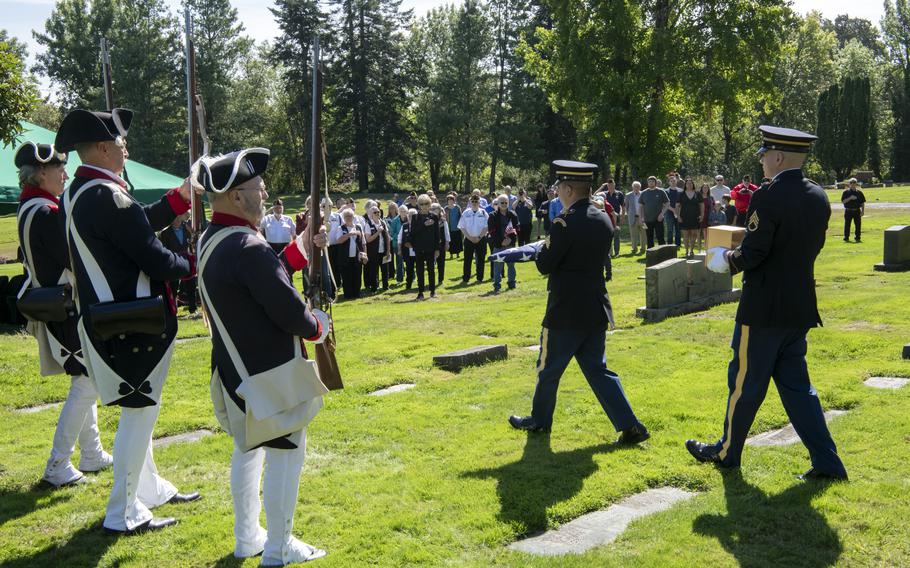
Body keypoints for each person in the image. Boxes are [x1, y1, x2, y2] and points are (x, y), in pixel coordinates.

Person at [55, 108, 200, 534]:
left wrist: (178, 199)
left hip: (112, 320)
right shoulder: (106, 196)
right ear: (102, 147)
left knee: (142, 412)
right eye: (119, 143)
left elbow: (134, 224)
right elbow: (151, 253)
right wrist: (196, 263)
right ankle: (123, 512)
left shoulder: (86, 192)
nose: (125, 148)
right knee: (140, 414)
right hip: (131, 322)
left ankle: (149, 490)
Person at [688, 125, 848, 482]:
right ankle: (828, 462)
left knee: (745, 384)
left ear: (778, 157)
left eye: (764, 154)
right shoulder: (818, 196)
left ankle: (727, 453)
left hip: (763, 309)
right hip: (800, 304)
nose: (761, 160)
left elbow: (755, 252)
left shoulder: (767, 197)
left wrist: (726, 260)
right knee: (798, 389)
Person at [195, 148, 330, 563]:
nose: (265, 189)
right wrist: (317, 325)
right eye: (257, 186)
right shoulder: (246, 246)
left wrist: (301, 246)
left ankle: (248, 539)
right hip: (268, 374)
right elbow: (288, 310)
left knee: (248, 452)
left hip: (237, 373)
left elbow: (264, 275)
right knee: (287, 455)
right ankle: (279, 547)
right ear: (236, 196)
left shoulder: (214, 238)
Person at [509, 160, 649, 443]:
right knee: (599, 370)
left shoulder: (564, 222)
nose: (557, 192)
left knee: (548, 369)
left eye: (560, 186)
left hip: (565, 309)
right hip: (595, 305)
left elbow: (545, 264)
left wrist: (541, 249)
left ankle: (539, 420)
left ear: (569, 189)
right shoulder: (603, 218)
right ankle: (630, 425)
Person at [14, 141, 112, 487]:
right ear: (41, 173)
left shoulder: (30, 207)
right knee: (86, 383)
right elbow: (74, 257)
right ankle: (58, 463)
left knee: (84, 381)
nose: (65, 175)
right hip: (65, 307)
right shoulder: (45, 212)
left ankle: (92, 453)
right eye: (59, 169)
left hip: (57, 305)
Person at [159, 213, 197, 313]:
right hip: (173, 262)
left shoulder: (188, 229)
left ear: (181, 217)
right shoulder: (164, 233)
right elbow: (163, 249)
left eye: (177, 217)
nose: (176, 220)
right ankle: (173, 310)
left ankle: (193, 309)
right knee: (173, 288)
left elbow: (194, 242)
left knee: (191, 286)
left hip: (187, 261)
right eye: (173, 218)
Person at [328, 209, 367, 300]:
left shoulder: (358, 227)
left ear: (353, 217)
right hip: (345, 257)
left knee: (357, 275)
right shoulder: (340, 228)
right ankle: (348, 295)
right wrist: (349, 234)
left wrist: (365, 254)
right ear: (344, 218)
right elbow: (339, 240)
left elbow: (363, 242)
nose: (349, 218)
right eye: (346, 216)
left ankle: (357, 293)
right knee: (347, 276)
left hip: (357, 256)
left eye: (350, 216)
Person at [410, 195, 441, 300]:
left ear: (430, 204)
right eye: (422, 204)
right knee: (419, 270)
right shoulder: (415, 217)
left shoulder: (434, 217)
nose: (424, 206)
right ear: (419, 205)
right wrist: (424, 225)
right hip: (419, 248)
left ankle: (432, 291)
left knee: (431, 270)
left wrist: (437, 249)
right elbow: (413, 233)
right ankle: (420, 292)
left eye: (426, 204)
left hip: (430, 247)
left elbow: (437, 234)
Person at [488, 195, 519, 292]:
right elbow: (491, 231)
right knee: (497, 267)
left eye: (506, 202)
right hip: (498, 245)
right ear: (498, 204)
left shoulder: (513, 215)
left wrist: (510, 239)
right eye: (502, 202)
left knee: (511, 265)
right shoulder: (492, 216)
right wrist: (501, 241)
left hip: (510, 245)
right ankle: (497, 285)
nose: (504, 204)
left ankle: (511, 283)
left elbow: (517, 228)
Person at [458, 195, 489, 283]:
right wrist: (470, 237)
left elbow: (486, 227)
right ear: (470, 202)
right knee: (467, 260)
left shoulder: (483, 212)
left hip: (481, 239)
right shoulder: (466, 213)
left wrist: (479, 237)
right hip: (468, 239)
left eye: (476, 201)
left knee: (481, 259)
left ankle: (479, 278)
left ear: (479, 203)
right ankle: (466, 278)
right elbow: (461, 227)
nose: (474, 203)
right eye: (473, 201)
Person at [363, 206, 390, 292]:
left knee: (385, 270)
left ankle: (386, 287)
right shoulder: (368, 224)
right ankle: (374, 288)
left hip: (383, 251)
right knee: (373, 271)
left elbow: (387, 237)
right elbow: (368, 239)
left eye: (378, 212)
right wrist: (378, 232)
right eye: (375, 212)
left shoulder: (383, 223)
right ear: (371, 215)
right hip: (373, 252)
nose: (378, 214)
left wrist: (388, 250)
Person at [639, 176, 669, 248]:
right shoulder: (643, 193)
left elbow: (667, 203)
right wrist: (642, 218)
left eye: (652, 181)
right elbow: (641, 206)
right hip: (647, 220)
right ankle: (650, 255)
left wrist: (662, 214)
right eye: (649, 181)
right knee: (649, 238)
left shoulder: (661, 191)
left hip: (658, 219)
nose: (651, 183)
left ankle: (663, 254)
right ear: (648, 183)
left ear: (655, 182)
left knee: (660, 237)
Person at [678, 178, 703, 258]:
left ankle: (691, 251)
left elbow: (702, 205)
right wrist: (678, 216)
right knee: (686, 235)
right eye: (688, 183)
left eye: (691, 183)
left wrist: (702, 215)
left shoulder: (698, 193)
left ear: (693, 184)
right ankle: (686, 251)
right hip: (684, 217)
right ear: (685, 185)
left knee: (694, 234)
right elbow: (677, 206)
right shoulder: (681, 194)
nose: (689, 185)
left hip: (695, 217)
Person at [602, 179, 624, 257]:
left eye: (612, 185)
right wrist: (602, 187)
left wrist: (622, 216)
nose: (610, 187)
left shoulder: (619, 194)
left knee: (616, 235)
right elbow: (594, 195)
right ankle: (609, 253)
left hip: (616, 217)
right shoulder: (604, 194)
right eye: (609, 185)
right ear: (607, 186)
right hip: (606, 218)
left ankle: (617, 252)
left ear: (614, 185)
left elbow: (622, 206)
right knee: (608, 236)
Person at [430, 202, 450, 283]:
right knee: (431, 263)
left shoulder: (443, 221)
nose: (434, 210)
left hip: (441, 244)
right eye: (432, 209)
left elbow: (446, 232)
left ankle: (440, 279)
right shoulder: (429, 220)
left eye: (436, 208)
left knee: (441, 262)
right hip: (430, 245)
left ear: (439, 210)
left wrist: (447, 243)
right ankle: (432, 279)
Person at [841, 178, 865, 242]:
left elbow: (862, 203)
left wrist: (862, 211)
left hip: (857, 211)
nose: (852, 184)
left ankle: (857, 237)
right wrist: (850, 198)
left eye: (854, 183)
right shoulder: (846, 192)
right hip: (848, 211)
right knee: (847, 225)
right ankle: (846, 237)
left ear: (856, 184)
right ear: (849, 184)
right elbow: (843, 201)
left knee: (858, 225)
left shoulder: (859, 193)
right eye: (851, 183)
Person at [625, 181, 646, 254]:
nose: (636, 188)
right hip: (632, 217)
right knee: (633, 234)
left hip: (642, 217)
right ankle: (634, 248)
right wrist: (629, 214)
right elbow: (626, 207)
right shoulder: (628, 195)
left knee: (643, 234)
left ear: (640, 187)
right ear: (632, 187)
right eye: (635, 187)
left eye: (637, 187)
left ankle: (643, 248)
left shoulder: (643, 194)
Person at [387, 202, 404, 283]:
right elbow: (391, 232)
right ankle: (399, 278)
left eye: (394, 207)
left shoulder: (406, 218)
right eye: (391, 208)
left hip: (406, 242)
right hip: (396, 243)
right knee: (399, 260)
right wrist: (398, 236)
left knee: (408, 260)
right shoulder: (394, 220)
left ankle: (411, 276)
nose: (392, 209)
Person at [664, 172, 682, 246]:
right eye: (671, 181)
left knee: (678, 229)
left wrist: (677, 211)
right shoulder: (665, 191)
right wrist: (673, 210)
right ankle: (670, 245)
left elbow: (682, 202)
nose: (673, 182)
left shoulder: (681, 191)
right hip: (669, 212)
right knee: (670, 230)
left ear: (676, 181)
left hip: (679, 212)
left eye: (674, 181)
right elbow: (664, 203)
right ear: (669, 182)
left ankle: (678, 244)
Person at [696, 182, 714, 252]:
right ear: (702, 189)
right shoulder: (698, 196)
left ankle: (706, 250)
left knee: (706, 234)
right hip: (699, 216)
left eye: (707, 188)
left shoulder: (711, 197)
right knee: (698, 233)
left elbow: (713, 207)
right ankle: (699, 249)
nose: (705, 189)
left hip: (708, 217)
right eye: (704, 188)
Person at [445, 194, 463, 258]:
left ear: (454, 200)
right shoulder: (446, 208)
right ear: (447, 201)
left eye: (451, 199)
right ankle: (451, 255)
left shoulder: (457, 207)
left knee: (457, 241)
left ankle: (458, 254)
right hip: (449, 228)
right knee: (451, 242)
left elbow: (461, 216)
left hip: (457, 227)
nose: (450, 201)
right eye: (449, 200)